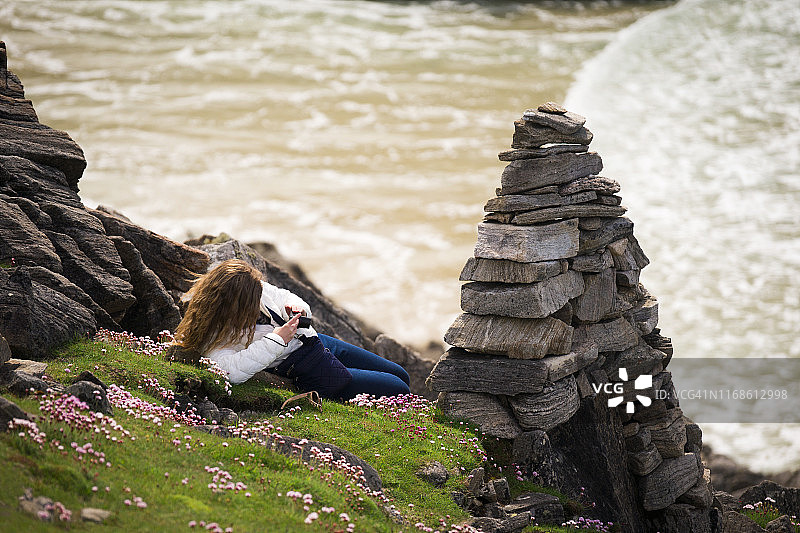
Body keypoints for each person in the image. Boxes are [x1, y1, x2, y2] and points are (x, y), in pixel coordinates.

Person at [173, 259, 410, 401]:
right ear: (236, 305)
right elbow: (232, 372)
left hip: (318, 342)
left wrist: (298, 308)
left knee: (402, 374)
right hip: (306, 365)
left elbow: (281, 294)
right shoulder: (217, 337)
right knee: (399, 389)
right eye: (253, 298)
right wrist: (277, 340)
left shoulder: (249, 287)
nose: (260, 295)